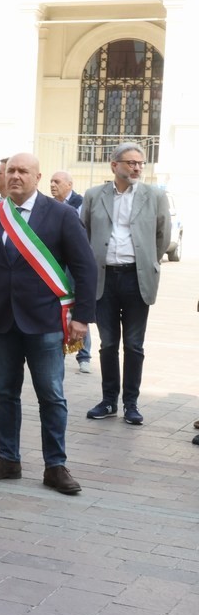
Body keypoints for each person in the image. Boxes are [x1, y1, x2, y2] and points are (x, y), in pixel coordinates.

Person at [0, 152, 97, 495]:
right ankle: (8, 458)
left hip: (45, 321)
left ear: (38, 177)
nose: (15, 176)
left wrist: (82, 317)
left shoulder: (62, 215)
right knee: (5, 393)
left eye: (23, 171)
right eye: (11, 171)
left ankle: (55, 465)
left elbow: (85, 267)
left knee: (51, 395)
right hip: (1, 320)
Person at [80, 142, 170, 426]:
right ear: (114, 165)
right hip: (104, 278)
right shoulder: (94, 195)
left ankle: (131, 403)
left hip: (136, 277)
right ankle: (109, 401)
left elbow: (162, 235)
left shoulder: (154, 195)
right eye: (130, 163)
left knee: (134, 345)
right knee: (108, 344)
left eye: (140, 163)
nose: (136, 168)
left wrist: (146, 263)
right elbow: (84, 234)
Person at [51, 168, 91, 372]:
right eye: (51, 181)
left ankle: (84, 354)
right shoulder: (50, 206)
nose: (52, 185)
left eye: (57, 181)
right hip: (56, 265)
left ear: (69, 185)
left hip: (74, 264)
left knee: (77, 307)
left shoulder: (80, 204)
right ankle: (64, 347)